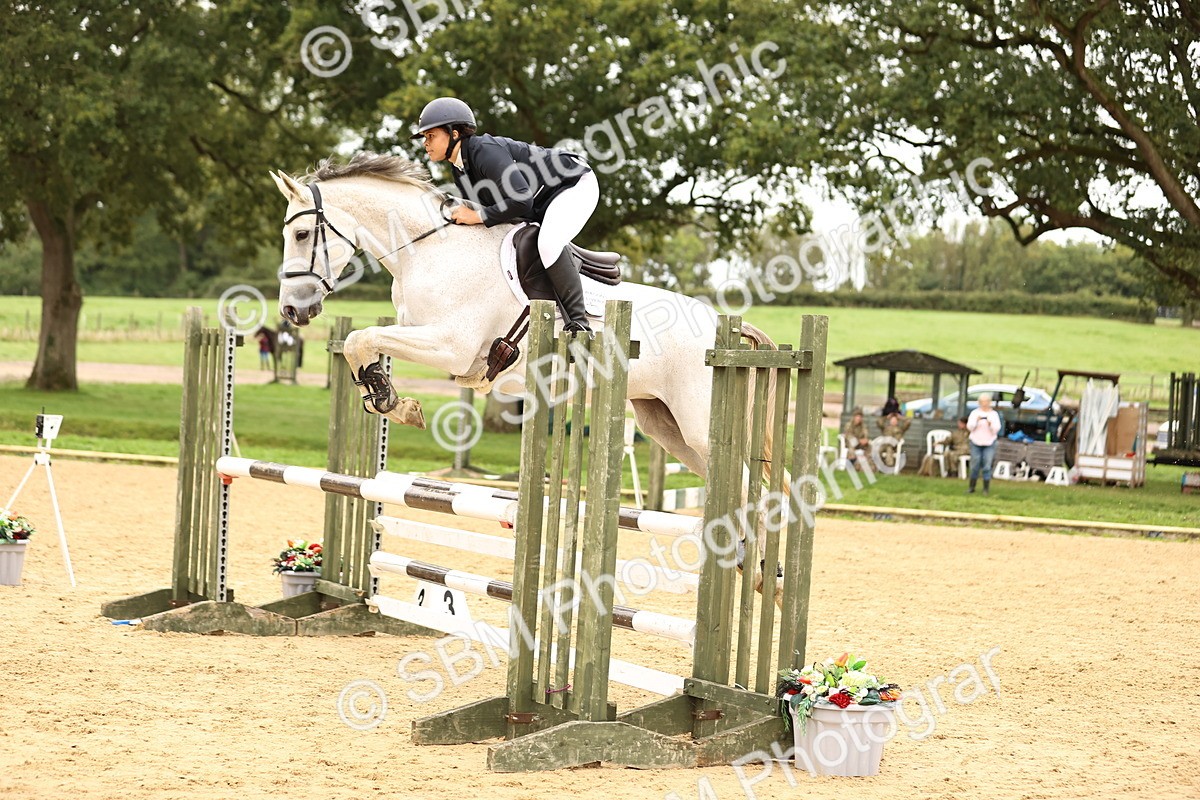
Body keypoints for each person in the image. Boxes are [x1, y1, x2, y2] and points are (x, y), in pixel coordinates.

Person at [412, 97, 595, 332]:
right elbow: (500, 212)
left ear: (454, 133)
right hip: (541, 202)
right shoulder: (460, 169)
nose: (425, 143)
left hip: (573, 182)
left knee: (548, 243)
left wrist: (476, 216)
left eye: (431, 136)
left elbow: (521, 199)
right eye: (425, 137)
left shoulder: (484, 151)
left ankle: (580, 325)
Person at [967, 393, 1002, 494]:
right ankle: (972, 487)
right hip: (976, 442)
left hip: (989, 443)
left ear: (989, 402)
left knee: (987, 466)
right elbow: (970, 427)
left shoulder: (994, 414)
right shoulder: (974, 413)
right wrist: (976, 421)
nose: (984, 404)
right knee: (975, 465)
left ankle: (986, 489)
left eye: (986, 402)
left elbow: (996, 429)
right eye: (982, 402)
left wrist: (990, 424)